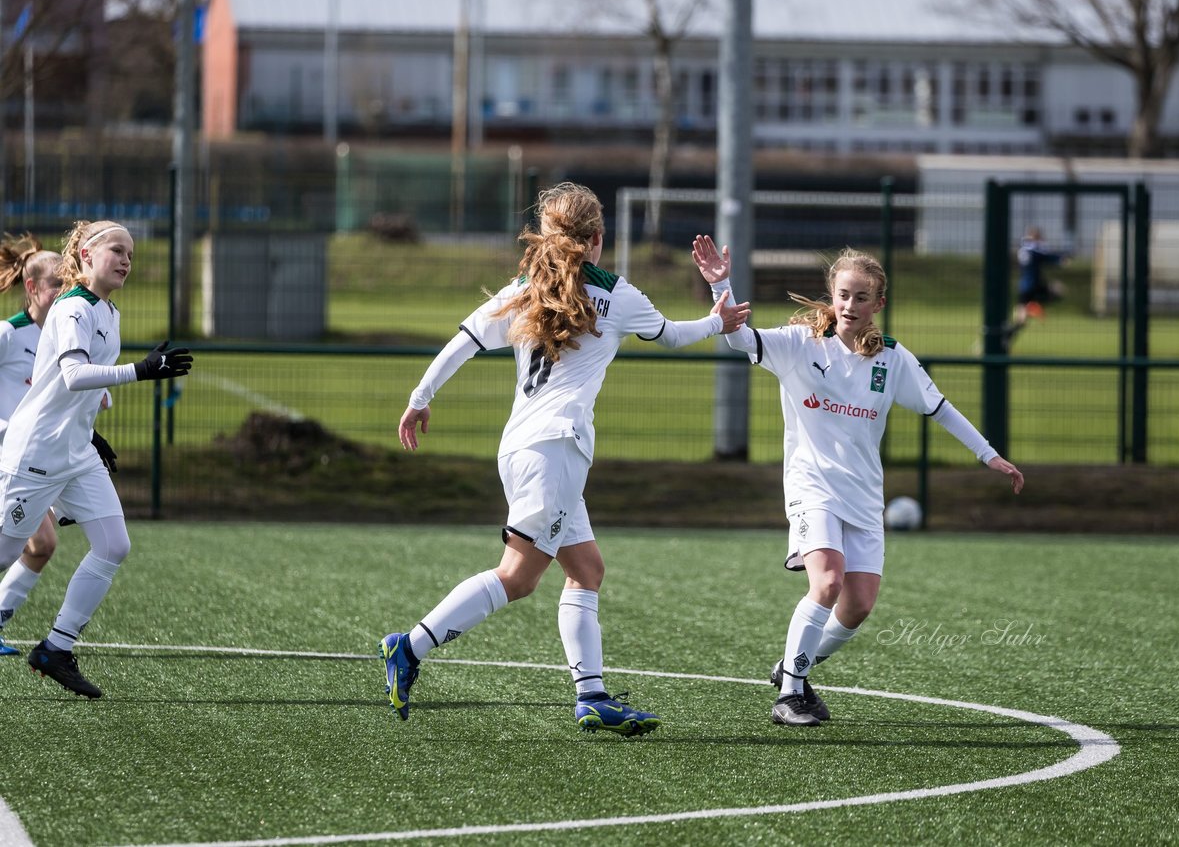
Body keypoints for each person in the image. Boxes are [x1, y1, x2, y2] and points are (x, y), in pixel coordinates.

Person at [381, 183, 748, 734]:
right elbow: (673, 336)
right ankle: (408, 647)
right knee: (520, 577)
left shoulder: (527, 287)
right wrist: (719, 313)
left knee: (586, 570)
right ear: (599, 239)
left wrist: (418, 400)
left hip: (525, 448)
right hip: (554, 451)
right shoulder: (618, 295)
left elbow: (464, 339)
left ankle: (593, 697)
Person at [691, 236, 1023, 726]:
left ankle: (793, 667)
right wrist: (721, 282)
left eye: (861, 297)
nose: (850, 305)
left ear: (878, 303)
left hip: (865, 496)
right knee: (826, 583)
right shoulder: (799, 342)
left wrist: (989, 455)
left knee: (859, 605)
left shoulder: (891, 358)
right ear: (831, 293)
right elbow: (742, 339)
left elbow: (940, 407)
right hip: (812, 487)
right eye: (843, 294)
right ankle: (789, 695)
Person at [0, 220, 192, 698]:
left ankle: (55, 648)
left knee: (113, 545)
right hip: (37, 452)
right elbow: (72, 376)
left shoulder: (108, 310)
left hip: (75, 450)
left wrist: (92, 432)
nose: (127, 260)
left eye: (130, 253)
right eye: (117, 251)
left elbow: (80, 391)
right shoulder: (71, 308)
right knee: (4, 553)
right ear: (86, 255)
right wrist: (142, 370)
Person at [0, 234, 67, 656]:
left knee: (42, 545)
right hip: (6, 457)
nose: (64, 292)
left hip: (34, 459)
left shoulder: (63, 334)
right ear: (33, 288)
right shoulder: (8, 334)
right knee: (38, 541)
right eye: (56, 284)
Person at [1003, 226, 1067, 349]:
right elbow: (1047, 256)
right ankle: (1032, 308)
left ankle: (1004, 340)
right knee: (1058, 290)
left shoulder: (1024, 249)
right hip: (1034, 286)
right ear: (1036, 237)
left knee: (1020, 321)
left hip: (1025, 287)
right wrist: (1060, 259)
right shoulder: (1034, 249)